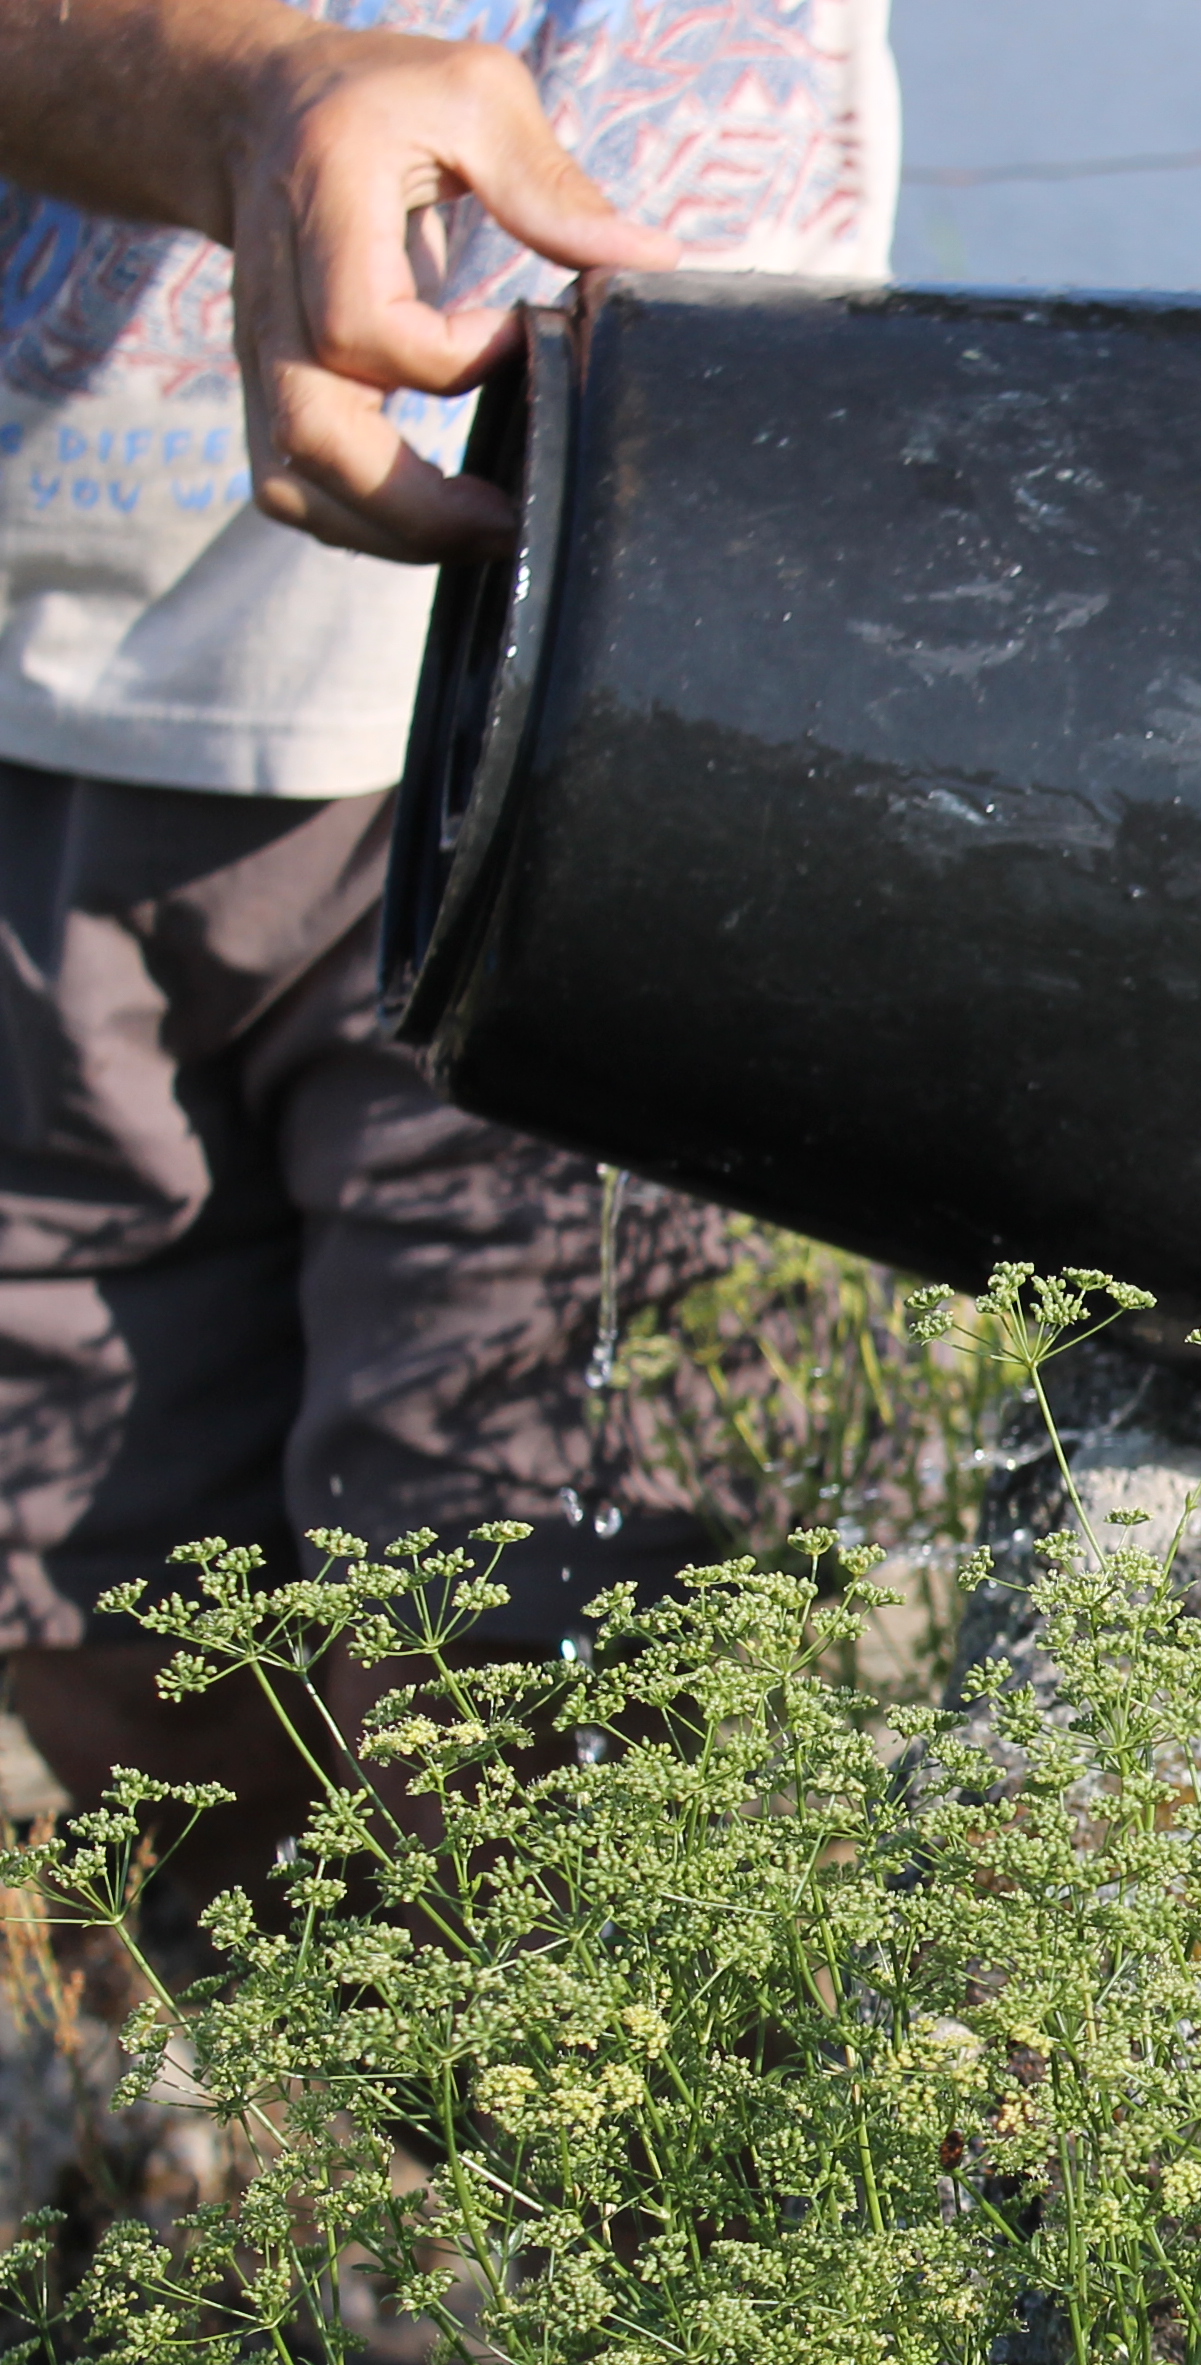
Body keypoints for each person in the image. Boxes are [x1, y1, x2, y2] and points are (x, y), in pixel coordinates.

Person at [0, 1, 895, 1917]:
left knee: (553, 1747)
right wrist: (232, 90)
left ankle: (594, 2182)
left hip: (643, 694)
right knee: (125, 1678)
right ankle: (301, 2153)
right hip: (37, 706)